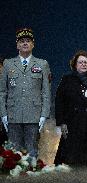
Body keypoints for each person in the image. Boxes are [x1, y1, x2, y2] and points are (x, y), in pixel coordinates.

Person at [0, 28, 51, 158]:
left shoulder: (42, 64)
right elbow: (2, 92)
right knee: (13, 152)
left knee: (32, 151)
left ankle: (32, 178)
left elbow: (46, 92)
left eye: (28, 41)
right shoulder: (8, 64)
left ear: (33, 44)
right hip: (13, 114)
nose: (25, 43)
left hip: (34, 115)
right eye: (22, 41)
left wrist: (44, 115)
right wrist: (3, 114)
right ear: (17, 45)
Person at [54, 50, 87, 164]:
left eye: (86, 62)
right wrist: (61, 122)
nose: (84, 64)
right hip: (73, 124)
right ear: (75, 64)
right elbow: (59, 101)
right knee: (71, 159)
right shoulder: (67, 79)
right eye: (80, 62)